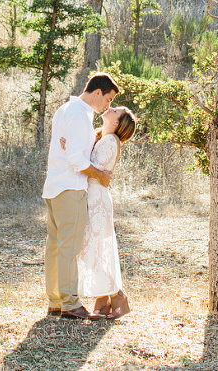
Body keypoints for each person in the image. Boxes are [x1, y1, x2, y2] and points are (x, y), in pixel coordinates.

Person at [42, 74, 118, 320]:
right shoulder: (78, 114)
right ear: (97, 92)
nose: (107, 106)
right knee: (68, 248)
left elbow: (68, 149)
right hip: (70, 188)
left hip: (55, 186)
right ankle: (70, 304)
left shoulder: (67, 109)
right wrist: (100, 175)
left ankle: (56, 301)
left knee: (55, 246)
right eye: (107, 99)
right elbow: (76, 159)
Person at [79, 105, 137, 319]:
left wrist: (71, 152)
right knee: (92, 249)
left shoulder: (111, 141)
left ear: (116, 122)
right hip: (92, 198)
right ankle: (102, 298)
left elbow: (92, 169)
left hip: (98, 200)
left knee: (95, 248)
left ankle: (117, 294)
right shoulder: (100, 137)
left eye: (116, 110)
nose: (110, 108)